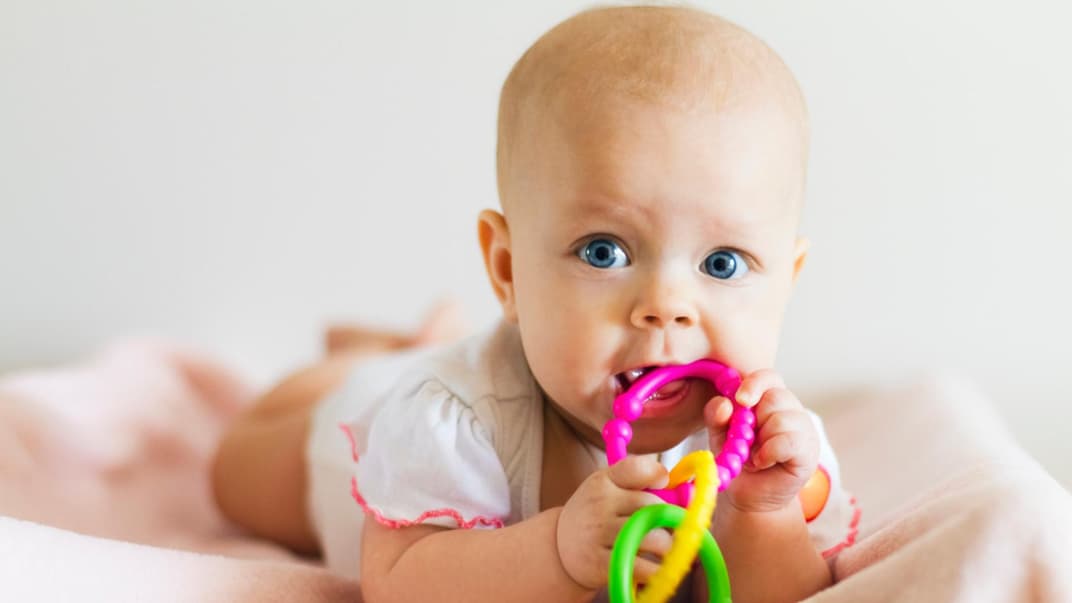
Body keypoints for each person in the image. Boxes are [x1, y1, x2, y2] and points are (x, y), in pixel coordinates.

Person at [211, 5, 860, 602]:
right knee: (233, 474)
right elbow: (398, 580)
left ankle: (419, 339)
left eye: (722, 263)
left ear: (787, 278)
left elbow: (795, 594)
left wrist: (762, 514)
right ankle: (378, 356)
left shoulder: (770, 449)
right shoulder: (452, 420)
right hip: (348, 435)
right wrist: (555, 552)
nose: (666, 307)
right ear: (507, 268)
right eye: (604, 251)